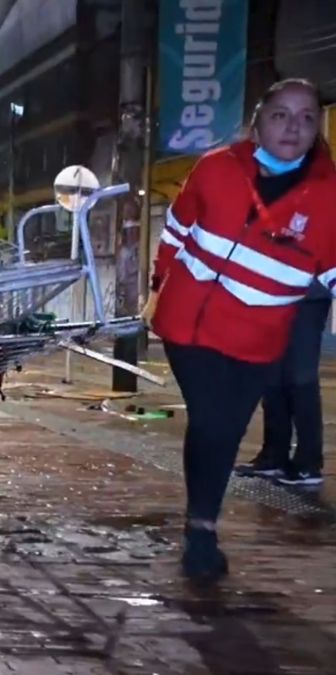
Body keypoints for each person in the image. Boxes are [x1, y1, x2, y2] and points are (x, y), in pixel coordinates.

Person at [143, 78, 336, 584]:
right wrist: (160, 281)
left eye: (306, 117)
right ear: (258, 121)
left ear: (319, 127)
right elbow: (178, 228)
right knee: (213, 420)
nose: (293, 126)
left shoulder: (331, 198)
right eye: (280, 115)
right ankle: (202, 532)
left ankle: (199, 522)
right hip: (190, 325)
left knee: (226, 427)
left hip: (259, 336)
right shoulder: (216, 168)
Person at [235, 281, 329, 486]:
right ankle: (274, 455)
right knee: (272, 373)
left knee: (301, 376)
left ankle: (308, 463)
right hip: (276, 289)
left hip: (307, 292)